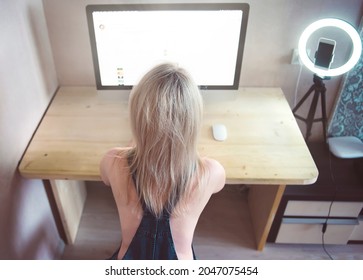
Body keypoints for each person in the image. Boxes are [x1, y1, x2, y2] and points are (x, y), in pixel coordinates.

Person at [100, 63, 226, 260]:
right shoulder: (211, 172)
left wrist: (140, 142)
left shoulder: (114, 161)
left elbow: (106, 179)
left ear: (136, 117)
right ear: (193, 123)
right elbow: (218, 186)